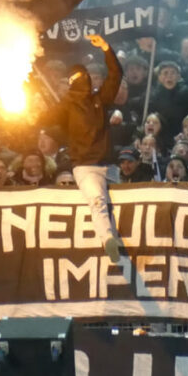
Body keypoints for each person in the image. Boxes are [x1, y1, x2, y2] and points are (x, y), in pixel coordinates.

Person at [55, 33, 126, 261]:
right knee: (97, 202)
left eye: (84, 76)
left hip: (110, 165)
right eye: (76, 78)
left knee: (125, 207)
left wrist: (106, 48)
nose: (81, 80)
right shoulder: (65, 106)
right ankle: (108, 241)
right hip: (85, 167)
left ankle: (127, 245)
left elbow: (116, 76)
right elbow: (42, 119)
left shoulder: (100, 99)